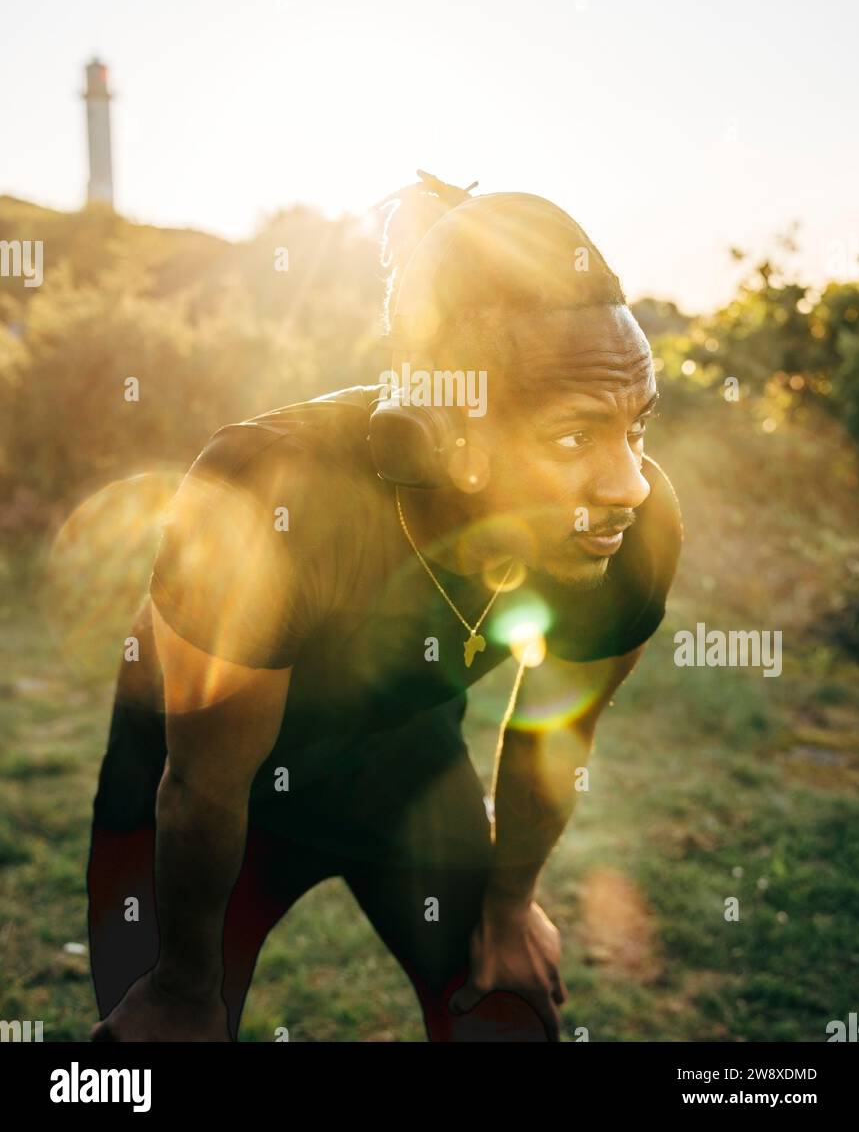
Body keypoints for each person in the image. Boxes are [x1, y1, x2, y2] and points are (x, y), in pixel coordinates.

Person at [87, 172, 682, 1042]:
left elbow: (552, 733)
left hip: (401, 766)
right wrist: (183, 983)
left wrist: (509, 904)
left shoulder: (630, 527)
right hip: (194, 784)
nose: (627, 482)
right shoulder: (266, 493)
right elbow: (202, 782)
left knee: (506, 1018)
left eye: (636, 427)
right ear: (445, 431)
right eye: (572, 436)